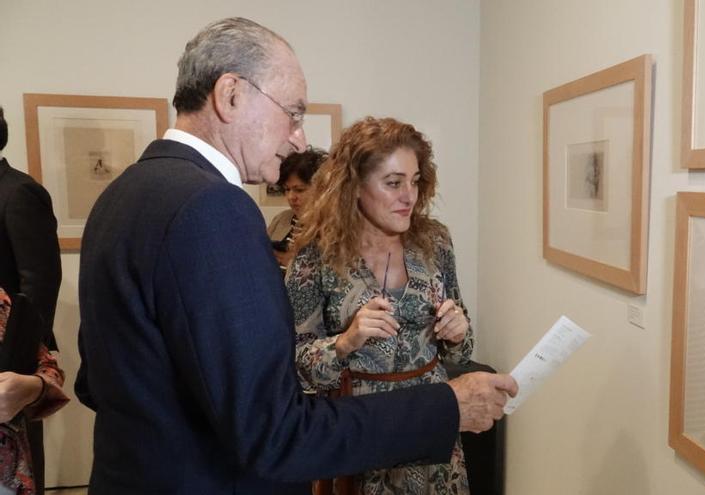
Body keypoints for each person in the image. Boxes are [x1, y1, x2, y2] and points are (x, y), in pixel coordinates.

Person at [74, 17, 517, 495]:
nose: (299, 140)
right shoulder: (214, 209)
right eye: (294, 112)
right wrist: (447, 406)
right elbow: (274, 432)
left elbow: (95, 384)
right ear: (231, 95)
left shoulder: (123, 193)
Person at [288, 116, 476, 494]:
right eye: (393, 183)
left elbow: (463, 350)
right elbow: (295, 369)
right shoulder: (315, 257)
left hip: (431, 425)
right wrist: (345, 341)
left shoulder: (435, 242)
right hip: (359, 431)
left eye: (415, 180)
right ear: (354, 186)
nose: (410, 195)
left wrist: (458, 332)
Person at [0, 105, 66, 495]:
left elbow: (39, 285)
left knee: (18, 472)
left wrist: (20, 371)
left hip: (13, 365)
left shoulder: (18, 191)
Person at [267, 146, 327, 270]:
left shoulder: (334, 227)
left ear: (322, 189)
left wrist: (295, 267)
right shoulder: (281, 219)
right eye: (287, 189)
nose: (290, 197)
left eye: (299, 190)